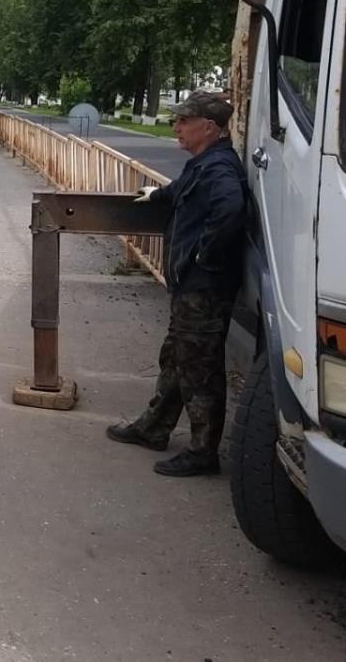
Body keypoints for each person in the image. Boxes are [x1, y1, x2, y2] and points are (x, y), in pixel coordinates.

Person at [106, 90, 247, 476]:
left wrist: (203, 256)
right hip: (192, 288)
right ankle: (154, 427)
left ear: (210, 127)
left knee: (199, 368)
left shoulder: (219, 168)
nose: (177, 127)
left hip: (204, 288)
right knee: (177, 358)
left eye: (185, 121)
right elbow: (180, 191)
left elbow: (231, 210)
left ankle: (203, 453)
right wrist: (157, 194)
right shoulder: (203, 164)